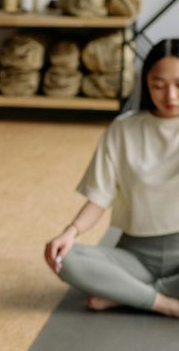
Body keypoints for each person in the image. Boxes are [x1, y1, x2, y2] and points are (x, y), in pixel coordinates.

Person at [45, 39, 179, 317]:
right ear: (146, 83)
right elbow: (99, 196)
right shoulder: (123, 129)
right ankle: (164, 303)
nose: (171, 96)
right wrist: (70, 232)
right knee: (64, 257)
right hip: (136, 256)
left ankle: (126, 295)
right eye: (158, 85)